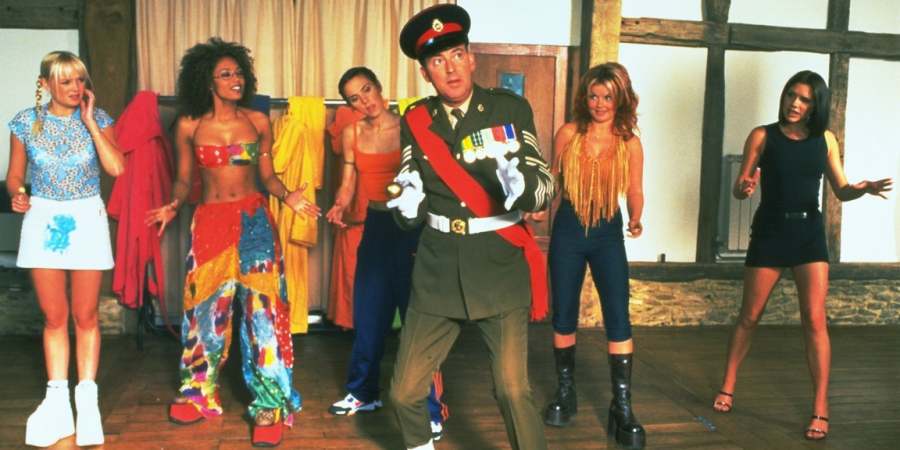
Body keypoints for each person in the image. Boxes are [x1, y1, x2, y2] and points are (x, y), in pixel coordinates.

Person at [388, 5, 555, 450]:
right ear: (425, 73)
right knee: (403, 393)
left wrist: (522, 189)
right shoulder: (416, 119)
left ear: (472, 58)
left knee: (512, 391)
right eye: (438, 61)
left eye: (457, 55)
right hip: (438, 269)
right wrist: (407, 204)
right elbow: (407, 187)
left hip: (498, 266)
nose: (451, 68)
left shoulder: (509, 108)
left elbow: (543, 185)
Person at [145, 38, 314, 447]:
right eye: (225, 74)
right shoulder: (189, 125)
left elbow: (268, 177)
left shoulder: (257, 121)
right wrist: (173, 205)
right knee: (204, 311)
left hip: (254, 221)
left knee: (263, 314)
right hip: (210, 223)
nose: (235, 80)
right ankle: (198, 392)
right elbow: (184, 179)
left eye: (238, 73)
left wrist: (288, 196)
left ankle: (270, 403)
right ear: (208, 81)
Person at [711, 70, 892, 441]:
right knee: (749, 316)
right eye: (791, 95)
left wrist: (862, 189)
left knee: (814, 319)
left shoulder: (825, 140)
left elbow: (840, 189)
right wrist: (744, 187)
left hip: (809, 235)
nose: (795, 103)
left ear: (815, 106)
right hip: (770, 232)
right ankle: (727, 385)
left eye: (805, 99)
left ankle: (820, 407)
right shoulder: (762, 135)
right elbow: (740, 188)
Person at [6, 50, 125, 447]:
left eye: (80, 80)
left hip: (87, 216)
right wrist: (18, 194)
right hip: (43, 219)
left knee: (85, 315)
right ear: (45, 85)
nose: (76, 88)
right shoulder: (26, 122)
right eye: (66, 81)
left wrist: (90, 122)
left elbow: (117, 168)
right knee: (54, 316)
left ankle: (87, 405)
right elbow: (15, 176)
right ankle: (58, 403)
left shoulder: (100, 118)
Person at [325, 66, 446, 439]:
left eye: (367, 90)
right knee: (368, 313)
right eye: (354, 98)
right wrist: (339, 204)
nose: (364, 101)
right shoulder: (352, 133)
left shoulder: (410, 127)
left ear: (379, 88)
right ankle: (364, 392)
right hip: (376, 226)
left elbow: (433, 178)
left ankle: (431, 410)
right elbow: (349, 183)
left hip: (412, 229)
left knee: (417, 321)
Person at [535, 62, 646, 449]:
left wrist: (636, 216)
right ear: (585, 98)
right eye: (593, 96)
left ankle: (622, 406)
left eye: (607, 97)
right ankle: (566, 393)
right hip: (568, 230)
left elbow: (635, 189)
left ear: (621, 99)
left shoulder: (630, 143)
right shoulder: (568, 133)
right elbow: (553, 179)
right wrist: (539, 206)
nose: (599, 104)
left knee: (618, 316)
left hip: (607, 234)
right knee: (564, 314)